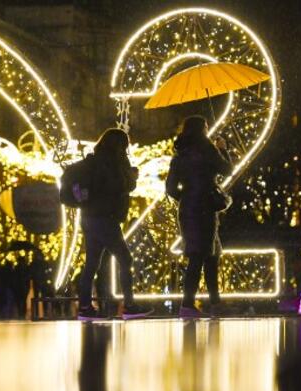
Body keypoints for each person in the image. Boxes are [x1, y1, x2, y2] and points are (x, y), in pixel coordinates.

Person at [75, 128, 151, 320]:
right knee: (125, 259)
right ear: (120, 145)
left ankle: (84, 307)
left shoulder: (92, 161)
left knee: (91, 264)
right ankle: (129, 305)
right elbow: (119, 187)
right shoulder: (113, 163)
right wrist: (132, 177)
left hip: (89, 217)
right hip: (106, 218)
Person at [166, 116, 231, 318]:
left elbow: (170, 187)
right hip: (205, 208)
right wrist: (223, 148)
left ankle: (213, 302)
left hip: (188, 209)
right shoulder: (208, 150)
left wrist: (186, 197)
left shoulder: (180, 156)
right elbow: (227, 169)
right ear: (202, 130)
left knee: (206, 254)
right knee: (203, 256)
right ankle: (189, 304)